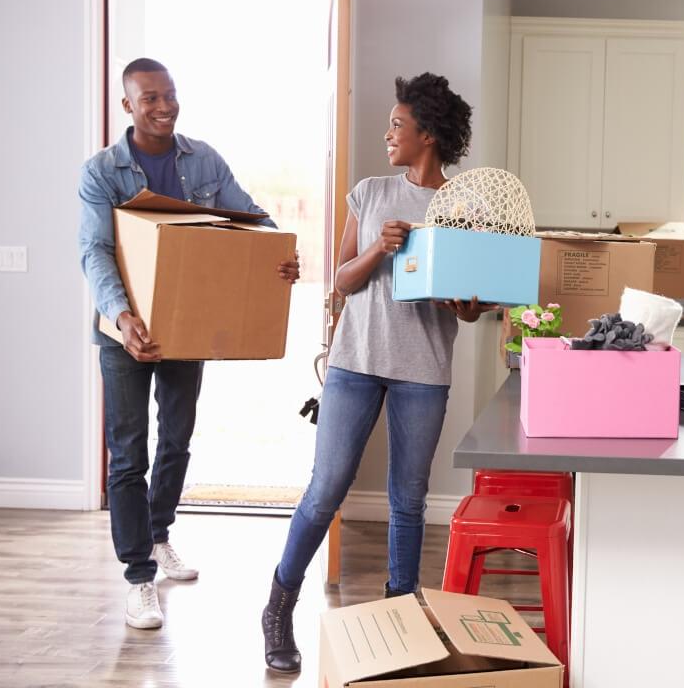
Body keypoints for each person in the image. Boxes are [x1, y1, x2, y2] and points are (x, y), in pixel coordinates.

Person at [261, 73, 493, 673]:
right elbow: (339, 281)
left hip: (423, 370)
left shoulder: (465, 207)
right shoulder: (368, 194)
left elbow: (470, 311)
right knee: (326, 488)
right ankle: (280, 603)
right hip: (355, 363)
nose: (387, 133)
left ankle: (400, 616)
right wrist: (377, 250)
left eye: (397, 124)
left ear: (428, 134)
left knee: (408, 499)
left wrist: (463, 302)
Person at [78, 58, 300, 630]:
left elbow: (249, 217)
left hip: (186, 324)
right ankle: (137, 578)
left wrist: (275, 253)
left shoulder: (202, 159)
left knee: (176, 439)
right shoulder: (103, 171)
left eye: (169, 95)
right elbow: (95, 251)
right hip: (125, 330)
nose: (163, 106)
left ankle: (158, 536)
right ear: (128, 105)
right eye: (149, 98)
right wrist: (124, 318)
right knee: (128, 453)